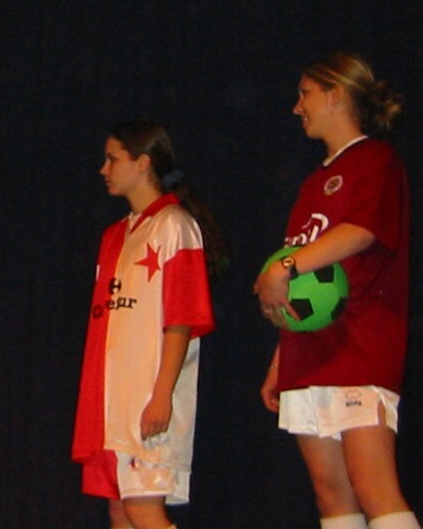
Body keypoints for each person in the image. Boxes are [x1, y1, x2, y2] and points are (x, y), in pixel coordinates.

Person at [254, 52, 419, 529]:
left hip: (360, 343)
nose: (296, 107)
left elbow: (362, 232)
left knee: (373, 487)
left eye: (304, 94)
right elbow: (307, 285)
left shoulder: (375, 160)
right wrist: (282, 357)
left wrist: (284, 265)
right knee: (331, 497)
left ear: (336, 94)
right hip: (310, 354)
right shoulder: (312, 185)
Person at [73, 120, 224, 529]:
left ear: (142, 163)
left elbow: (182, 320)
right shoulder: (115, 236)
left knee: (143, 508)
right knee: (121, 511)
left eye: (112, 159)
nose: (103, 169)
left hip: (148, 399)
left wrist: (161, 395)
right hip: (113, 403)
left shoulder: (173, 225)